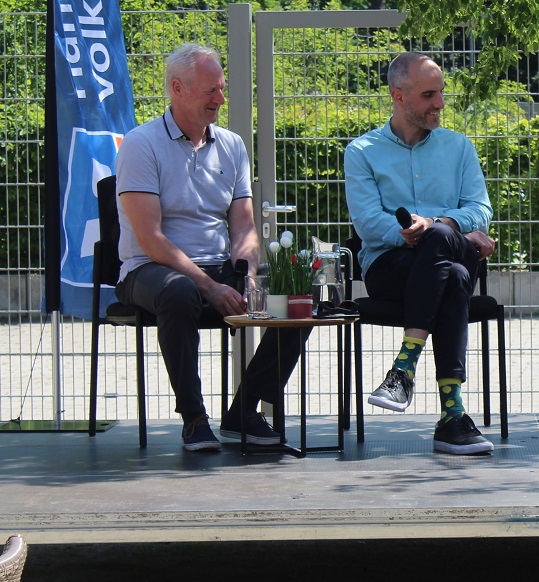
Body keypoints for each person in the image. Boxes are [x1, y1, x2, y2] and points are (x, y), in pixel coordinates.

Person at [114, 43, 307, 452]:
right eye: (211, 91)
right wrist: (209, 286)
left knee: (295, 300)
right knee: (180, 291)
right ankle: (194, 418)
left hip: (217, 266)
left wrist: (248, 274)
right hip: (148, 270)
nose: (221, 99)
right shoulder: (140, 144)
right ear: (177, 88)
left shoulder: (232, 145)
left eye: (222, 89)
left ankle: (245, 409)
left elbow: (244, 226)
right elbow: (150, 239)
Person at [344, 52, 496, 455]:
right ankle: (452, 416)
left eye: (441, 93)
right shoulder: (361, 151)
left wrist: (436, 223)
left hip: (442, 254)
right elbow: (366, 223)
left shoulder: (459, 147)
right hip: (390, 266)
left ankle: (403, 371)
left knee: (439, 240)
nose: (440, 103)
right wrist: (413, 233)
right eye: (429, 95)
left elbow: (481, 209)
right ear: (398, 96)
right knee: (456, 276)